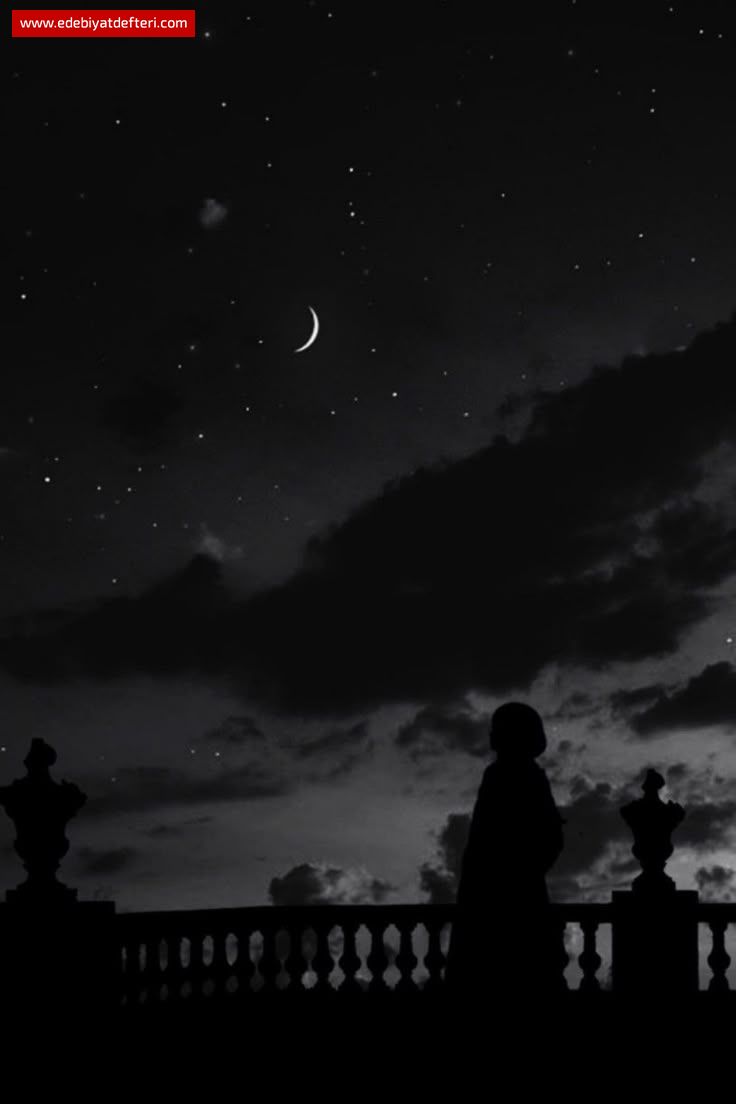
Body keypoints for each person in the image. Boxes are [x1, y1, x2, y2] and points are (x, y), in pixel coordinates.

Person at [445, 702, 565, 999]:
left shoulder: (515, 776)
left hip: (501, 899)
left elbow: (550, 838)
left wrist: (520, 874)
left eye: (497, 730)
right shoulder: (506, 775)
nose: (491, 736)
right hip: (496, 896)